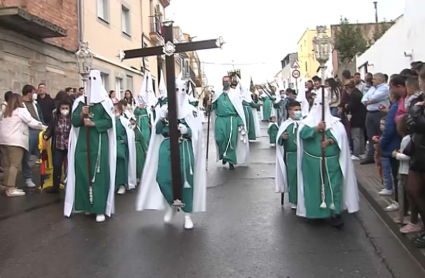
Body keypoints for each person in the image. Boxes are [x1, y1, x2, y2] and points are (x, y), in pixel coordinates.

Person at [136, 75, 206, 230]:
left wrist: (187, 130)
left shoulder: (191, 108)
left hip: (184, 146)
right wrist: (161, 118)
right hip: (167, 145)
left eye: (182, 89)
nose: (179, 92)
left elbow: (197, 130)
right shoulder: (165, 107)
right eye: (176, 89)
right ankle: (173, 205)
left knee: (186, 179)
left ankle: (187, 215)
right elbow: (158, 131)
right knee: (163, 178)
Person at [296, 90, 359, 227]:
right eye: (317, 104)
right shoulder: (306, 123)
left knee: (333, 187)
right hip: (311, 163)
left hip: (331, 161)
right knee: (313, 188)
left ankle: (335, 213)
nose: (320, 107)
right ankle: (315, 214)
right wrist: (316, 129)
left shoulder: (336, 124)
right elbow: (303, 134)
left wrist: (330, 141)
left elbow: (341, 138)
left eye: (322, 104)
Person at [64, 70, 117, 223]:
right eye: (90, 79)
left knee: (98, 175)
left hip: (99, 142)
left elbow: (109, 122)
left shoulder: (105, 101)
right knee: (83, 173)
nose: (92, 82)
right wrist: (81, 114)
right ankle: (87, 205)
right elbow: (74, 122)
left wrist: (95, 123)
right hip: (83, 142)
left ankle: (99, 208)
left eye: (95, 79)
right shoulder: (81, 101)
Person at [0, 93, 46, 197]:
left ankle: (7, 186)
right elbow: (31, 122)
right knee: (14, 165)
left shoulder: (4, 112)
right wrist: (43, 127)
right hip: (15, 141)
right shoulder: (21, 111)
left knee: (7, 165)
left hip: (3, 141)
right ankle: (11, 189)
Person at [209, 76, 248, 170]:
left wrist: (240, 122)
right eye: (224, 81)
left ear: (230, 82)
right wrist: (209, 104)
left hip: (231, 119)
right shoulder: (218, 94)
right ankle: (224, 154)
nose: (225, 83)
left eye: (227, 81)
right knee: (219, 139)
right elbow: (212, 108)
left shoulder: (234, 94)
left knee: (231, 140)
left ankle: (230, 161)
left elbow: (238, 109)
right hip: (220, 119)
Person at [393, 115, 420, 234]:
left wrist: (396, 155)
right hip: (407, 170)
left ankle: (412, 221)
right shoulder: (411, 138)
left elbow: (408, 156)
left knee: (411, 196)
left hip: (406, 170)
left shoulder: (407, 139)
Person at [276, 100, 303, 208]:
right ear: (290, 111)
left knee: (303, 177)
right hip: (291, 155)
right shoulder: (285, 125)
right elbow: (278, 141)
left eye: (299, 110)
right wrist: (282, 138)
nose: (298, 112)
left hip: (303, 154)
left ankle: (304, 199)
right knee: (293, 177)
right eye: (296, 110)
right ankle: (294, 200)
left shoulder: (304, 123)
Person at [379, 88, 401, 211]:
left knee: (396, 174)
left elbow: (389, 129)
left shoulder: (394, 107)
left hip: (393, 147)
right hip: (397, 145)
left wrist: (382, 143)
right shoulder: (398, 105)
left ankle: (398, 201)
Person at [43, 99, 72, 194]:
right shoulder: (55, 117)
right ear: (59, 109)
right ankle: (55, 187)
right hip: (58, 145)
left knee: (70, 166)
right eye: (62, 108)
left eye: (66, 108)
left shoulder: (72, 118)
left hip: (69, 146)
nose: (64, 110)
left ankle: (70, 186)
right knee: (57, 165)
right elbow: (50, 128)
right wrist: (46, 135)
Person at [361, 73, 390, 165]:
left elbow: (374, 97)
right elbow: (363, 99)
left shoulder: (385, 88)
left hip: (379, 112)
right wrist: (370, 101)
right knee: (370, 135)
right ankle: (370, 155)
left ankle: (382, 154)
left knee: (380, 133)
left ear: (380, 80)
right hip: (370, 113)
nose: (372, 80)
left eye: (374, 79)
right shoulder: (373, 88)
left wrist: (371, 100)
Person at [21, 85, 44, 188]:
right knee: (26, 156)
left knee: (43, 154)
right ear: (29, 93)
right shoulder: (21, 105)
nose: (35, 95)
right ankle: (28, 177)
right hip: (28, 132)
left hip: (39, 131)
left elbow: (40, 117)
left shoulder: (36, 104)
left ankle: (46, 174)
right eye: (33, 92)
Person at [113, 102, 136, 195]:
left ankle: (122, 184)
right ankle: (115, 183)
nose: (114, 113)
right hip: (112, 145)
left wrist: (123, 140)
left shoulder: (125, 121)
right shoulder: (111, 121)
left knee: (121, 164)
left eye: (116, 111)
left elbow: (130, 135)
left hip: (121, 146)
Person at [343, 80, 367, 160]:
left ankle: (356, 154)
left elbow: (350, 106)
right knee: (361, 136)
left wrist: (346, 106)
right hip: (362, 116)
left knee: (355, 136)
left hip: (356, 117)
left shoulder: (354, 95)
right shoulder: (358, 93)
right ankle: (361, 152)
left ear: (349, 87)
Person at [130, 117, 147, 181]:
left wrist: (145, 150)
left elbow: (142, 140)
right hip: (131, 147)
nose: (132, 122)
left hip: (138, 148)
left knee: (139, 162)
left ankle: (140, 176)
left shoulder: (137, 131)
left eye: (133, 121)